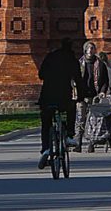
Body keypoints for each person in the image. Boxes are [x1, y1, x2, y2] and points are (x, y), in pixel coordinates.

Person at [36, 37, 81, 167]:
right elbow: (78, 79)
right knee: (71, 108)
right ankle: (69, 135)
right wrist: (81, 96)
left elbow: (41, 75)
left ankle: (46, 148)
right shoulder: (71, 60)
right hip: (63, 97)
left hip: (47, 96)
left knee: (46, 122)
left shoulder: (50, 57)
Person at [74, 42, 111, 150]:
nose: (90, 50)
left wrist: (102, 92)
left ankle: (91, 142)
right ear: (85, 50)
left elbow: (105, 81)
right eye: (88, 48)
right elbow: (74, 79)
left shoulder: (100, 64)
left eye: (92, 48)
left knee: (93, 120)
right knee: (80, 119)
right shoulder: (79, 63)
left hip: (95, 96)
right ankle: (78, 143)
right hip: (81, 96)